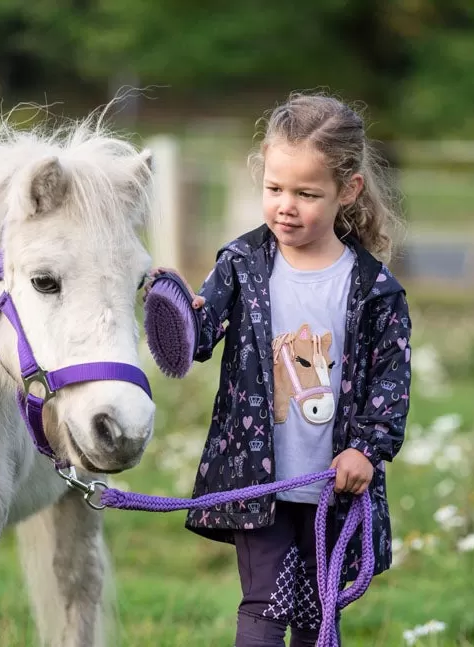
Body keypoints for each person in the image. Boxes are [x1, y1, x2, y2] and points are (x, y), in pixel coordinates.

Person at [146, 92, 412, 646]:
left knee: (319, 615)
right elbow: (197, 341)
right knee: (266, 606)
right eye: (274, 189)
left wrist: (366, 447)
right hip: (258, 478)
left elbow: (392, 380)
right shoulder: (242, 264)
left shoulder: (373, 288)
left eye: (306, 193)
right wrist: (178, 312)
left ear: (349, 191)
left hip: (333, 486)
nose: (285, 205)